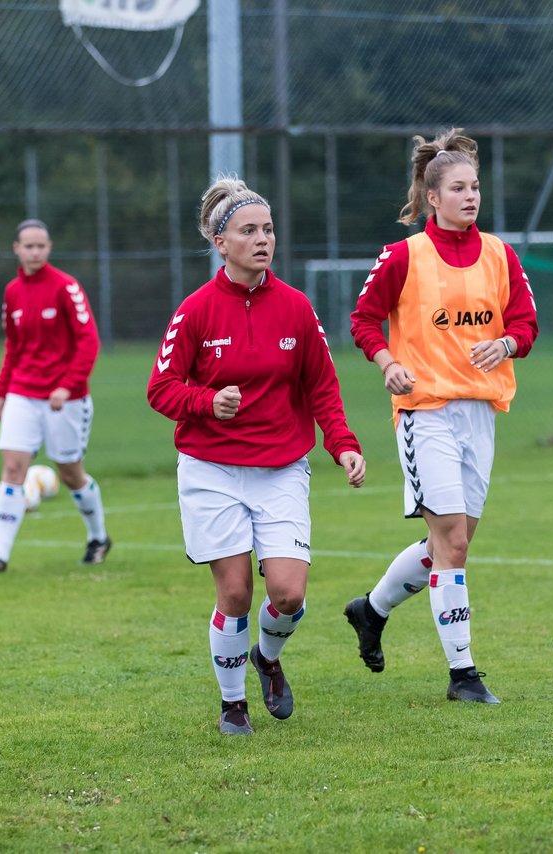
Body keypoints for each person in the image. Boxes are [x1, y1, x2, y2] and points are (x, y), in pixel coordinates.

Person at [147, 175, 366, 736]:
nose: (262, 239)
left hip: (280, 469)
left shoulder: (295, 308)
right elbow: (161, 388)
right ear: (221, 242)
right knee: (237, 592)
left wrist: (343, 445)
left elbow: (323, 385)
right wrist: (205, 401)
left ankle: (267, 657)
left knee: (289, 594)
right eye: (248, 230)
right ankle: (232, 705)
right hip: (211, 469)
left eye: (268, 229)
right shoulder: (195, 311)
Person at [344, 128, 538, 705]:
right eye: (458, 188)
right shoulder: (404, 256)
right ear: (434, 197)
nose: (471, 196)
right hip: (424, 411)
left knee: (452, 544)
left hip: (480, 414)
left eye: (475, 186)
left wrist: (504, 346)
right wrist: (386, 363)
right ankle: (464, 676)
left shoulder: (501, 254)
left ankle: (371, 610)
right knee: (450, 541)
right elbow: (362, 320)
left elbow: (525, 326)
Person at [0, 219, 111, 575]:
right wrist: (0, 392)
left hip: (65, 399)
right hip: (22, 392)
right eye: (28, 246)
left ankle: (98, 537)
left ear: (49, 248)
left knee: (69, 472)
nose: (35, 252)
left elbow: (88, 341)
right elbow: (14, 346)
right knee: (13, 467)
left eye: (41, 246)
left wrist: (67, 384)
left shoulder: (66, 287)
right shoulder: (13, 292)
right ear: (16, 249)